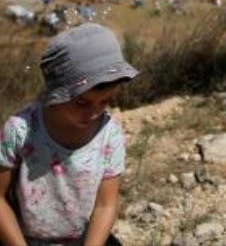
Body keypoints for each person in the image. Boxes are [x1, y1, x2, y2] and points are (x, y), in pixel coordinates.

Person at [0, 23, 138, 246]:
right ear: (57, 93)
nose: (93, 113)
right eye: (81, 102)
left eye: (105, 101)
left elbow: (106, 205)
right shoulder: (20, 131)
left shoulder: (109, 134)